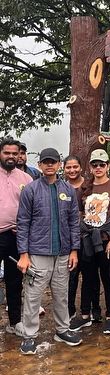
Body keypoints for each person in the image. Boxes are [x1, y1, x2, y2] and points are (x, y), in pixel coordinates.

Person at [16, 148, 81, 354]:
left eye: (53, 161)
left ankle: (62, 330)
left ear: (59, 164)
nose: (50, 165)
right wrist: (23, 254)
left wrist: (74, 250)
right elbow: (23, 222)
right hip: (38, 253)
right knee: (33, 296)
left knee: (61, 294)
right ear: (41, 165)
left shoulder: (68, 190)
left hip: (62, 253)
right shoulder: (31, 190)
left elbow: (74, 222)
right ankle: (29, 335)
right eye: (46, 162)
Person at [70, 149, 110, 335]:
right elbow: (78, 214)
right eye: (95, 164)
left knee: (108, 279)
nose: (98, 168)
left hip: (106, 239)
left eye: (102, 164)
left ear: (108, 165)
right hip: (87, 240)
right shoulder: (85, 188)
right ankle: (85, 314)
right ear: (90, 167)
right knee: (88, 278)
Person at [0, 138, 32, 336]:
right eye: (7, 153)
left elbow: (32, 208)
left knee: (14, 280)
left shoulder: (26, 179)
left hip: (16, 236)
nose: (11, 156)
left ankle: (14, 322)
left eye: (15, 153)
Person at [63, 155, 101, 321]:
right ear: (63, 169)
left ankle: (93, 308)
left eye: (75, 167)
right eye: (68, 167)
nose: (72, 170)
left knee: (91, 275)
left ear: (81, 167)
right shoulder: (61, 187)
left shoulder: (90, 186)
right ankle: (69, 311)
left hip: (88, 238)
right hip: (67, 239)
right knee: (70, 278)